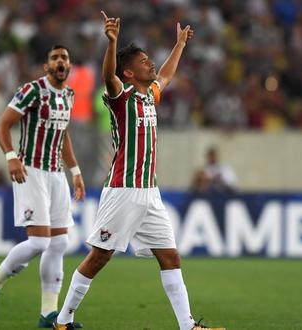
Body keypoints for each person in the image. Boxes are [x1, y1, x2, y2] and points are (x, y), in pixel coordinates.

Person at [54, 12, 224, 330]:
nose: (151, 64)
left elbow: (168, 75)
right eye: (144, 61)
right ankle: (63, 320)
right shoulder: (122, 98)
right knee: (99, 257)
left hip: (150, 193)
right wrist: (112, 43)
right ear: (129, 72)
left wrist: (180, 45)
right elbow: (107, 77)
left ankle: (188, 327)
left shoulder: (149, 98)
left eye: (150, 59)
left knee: (171, 258)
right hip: (123, 191)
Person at [0, 45, 86, 328]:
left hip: (56, 174)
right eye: (54, 58)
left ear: (69, 65)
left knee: (60, 242)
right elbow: (2, 126)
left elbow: (63, 137)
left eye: (64, 57)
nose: (60, 61)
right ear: (46, 66)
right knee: (39, 242)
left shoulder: (69, 95)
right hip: (31, 171)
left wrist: (75, 171)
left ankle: (48, 314)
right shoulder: (32, 91)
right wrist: (11, 158)